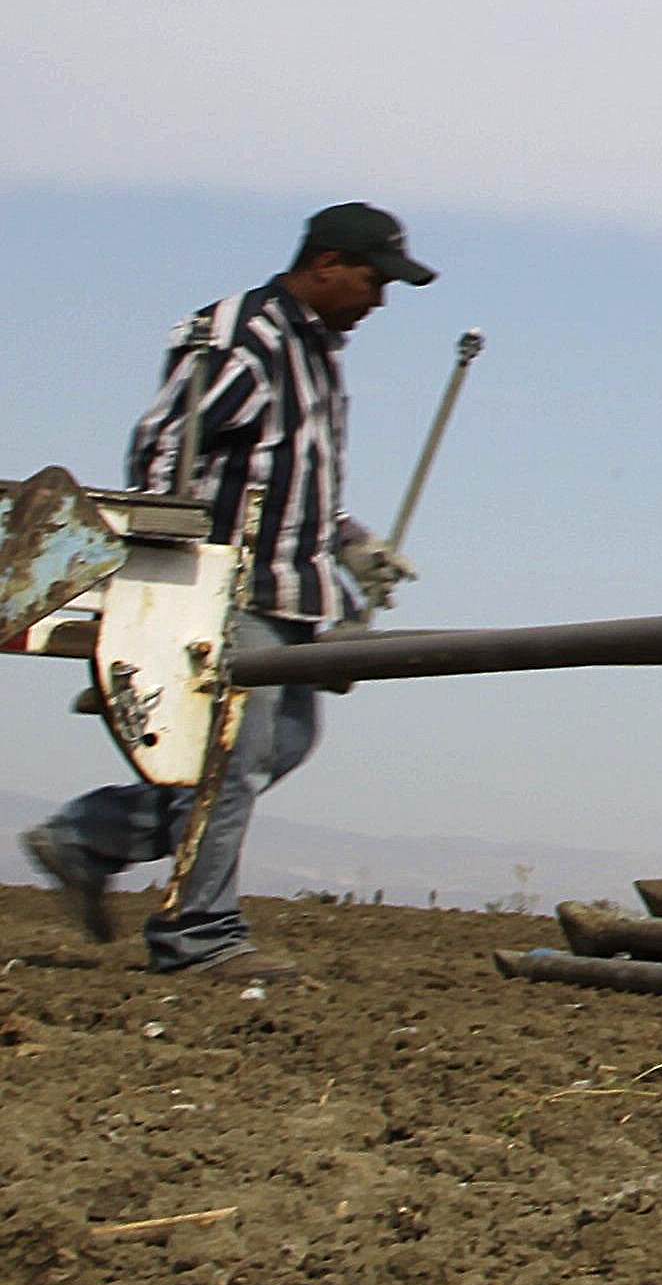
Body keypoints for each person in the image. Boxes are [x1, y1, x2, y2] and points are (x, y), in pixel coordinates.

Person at [23, 201, 440, 976]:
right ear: (325, 265)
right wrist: (168, 581)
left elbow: (292, 473)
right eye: (373, 279)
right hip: (230, 589)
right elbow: (162, 454)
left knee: (282, 743)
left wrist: (354, 546)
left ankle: (91, 838)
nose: (379, 300)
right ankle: (198, 935)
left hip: (293, 589)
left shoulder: (318, 352)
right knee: (232, 760)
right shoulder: (242, 338)